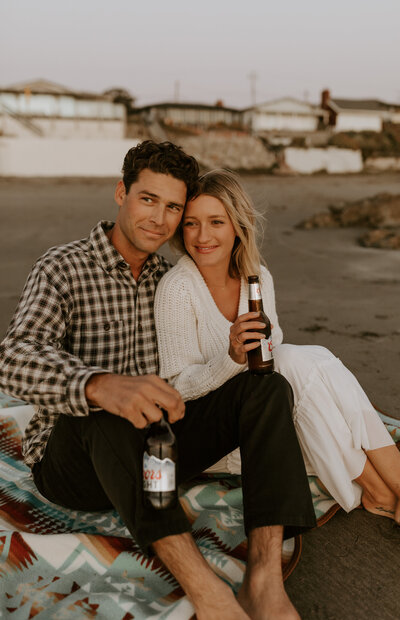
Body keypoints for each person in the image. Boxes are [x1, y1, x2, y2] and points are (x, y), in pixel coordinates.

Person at [0, 141, 316, 620]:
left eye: (173, 207)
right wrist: (100, 384)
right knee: (104, 412)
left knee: (267, 387)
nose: (161, 218)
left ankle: (263, 579)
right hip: (74, 465)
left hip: (159, 455)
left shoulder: (170, 280)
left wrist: (233, 355)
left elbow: (193, 374)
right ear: (121, 193)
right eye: (148, 199)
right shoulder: (62, 267)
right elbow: (13, 358)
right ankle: (207, 590)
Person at [154, 168, 400, 532]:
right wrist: (232, 358)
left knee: (300, 365)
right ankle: (389, 482)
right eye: (191, 224)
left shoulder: (258, 277)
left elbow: (280, 363)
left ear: (238, 225)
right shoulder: (177, 288)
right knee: (300, 361)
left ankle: (380, 491)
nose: (202, 236)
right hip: (215, 434)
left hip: (267, 413)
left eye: (216, 222)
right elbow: (176, 388)